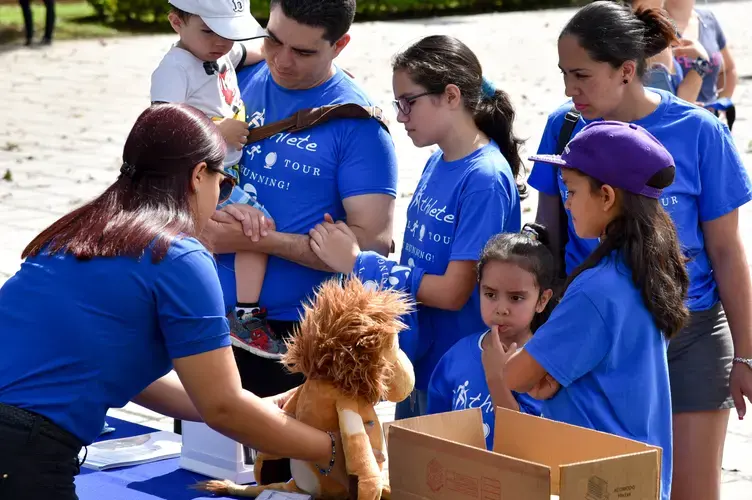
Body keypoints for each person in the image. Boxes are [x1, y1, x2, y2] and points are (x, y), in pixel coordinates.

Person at [0, 104, 350, 500]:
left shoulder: (80, 231)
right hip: (22, 449)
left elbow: (139, 379)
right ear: (200, 175)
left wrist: (261, 406)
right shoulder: (179, 255)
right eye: (225, 182)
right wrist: (334, 450)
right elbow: (222, 407)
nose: (221, 196)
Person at [529, 3, 752, 499]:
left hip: (690, 335)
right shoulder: (564, 129)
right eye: (564, 74)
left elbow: (728, 253)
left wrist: (747, 355)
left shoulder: (701, 132)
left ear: (627, 70)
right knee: (604, 490)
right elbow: (546, 236)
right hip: (595, 340)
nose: (570, 89)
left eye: (582, 74)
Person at [307, 34, 525, 420]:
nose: (401, 116)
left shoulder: (486, 178)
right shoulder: (437, 161)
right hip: (418, 361)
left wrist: (360, 263)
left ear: (452, 96)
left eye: (409, 102)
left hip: (457, 375)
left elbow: (455, 291)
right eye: (397, 104)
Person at [200, 0, 399, 400]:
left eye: (303, 52)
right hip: (206, 314)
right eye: (273, 39)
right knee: (201, 458)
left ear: (339, 45)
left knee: (283, 464)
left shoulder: (358, 126)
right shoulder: (232, 79)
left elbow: (372, 243)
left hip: (297, 336)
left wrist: (256, 240)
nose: (282, 61)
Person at [496, 120, 688, 500]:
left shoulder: (596, 289)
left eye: (570, 191)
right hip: (639, 475)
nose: (565, 203)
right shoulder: (645, 269)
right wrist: (553, 374)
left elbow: (515, 376)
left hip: (600, 479)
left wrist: (529, 364)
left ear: (606, 196)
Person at [150, 0, 282, 357]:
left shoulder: (217, 48)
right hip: (199, 177)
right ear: (177, 22)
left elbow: (250, 50)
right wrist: (217, 129)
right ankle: (243, 315)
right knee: (256, 229)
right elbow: (163, 126)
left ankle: (206, 312)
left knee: (223, 239)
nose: (221, 40)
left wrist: (280, 51)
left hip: (224, 172)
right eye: (209, 29)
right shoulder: (176, 67)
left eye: (229, 30)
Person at [427, 224, 555, 450]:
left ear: (542, 300)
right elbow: (435, 429)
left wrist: (496, 377)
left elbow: (528, 443)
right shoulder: (457, 354)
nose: (501, 308)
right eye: (490, 294)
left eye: (516, 298)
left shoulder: (543, 367)